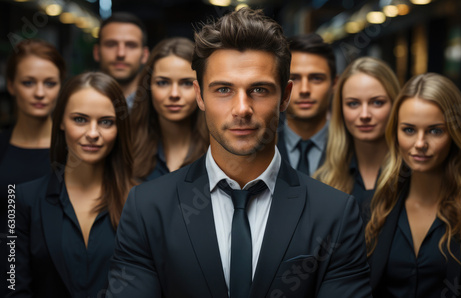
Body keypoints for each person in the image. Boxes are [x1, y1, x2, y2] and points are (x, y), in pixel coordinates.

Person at [107, 8, 371, 298]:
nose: (242, 108)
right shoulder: (147, 209)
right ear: (200, 96)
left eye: (259, 89)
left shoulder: (335, 214)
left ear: (285, 96)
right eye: (223, 89)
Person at [365, 73, 461, 297]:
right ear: (395, 133)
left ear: (455, 134)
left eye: (435, 130)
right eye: (409, 129)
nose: (420, 144)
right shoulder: (371, 207)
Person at [13, 72, 135, 297]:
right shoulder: (22, 198)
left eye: (106, 122)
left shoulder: (142, 201)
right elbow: (13, 287)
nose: (92, 133)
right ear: (60, 121)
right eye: (80, 119)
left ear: (119, 129)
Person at [0, 39, 65, 295]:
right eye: (29, 82)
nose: (40, 93)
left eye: (50, 83)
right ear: (12, 85)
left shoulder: (77, 151)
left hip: (59, 282)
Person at [314, 57, 400, 211]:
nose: (364, 115)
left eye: (377, 102)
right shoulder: (323, 182)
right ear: (341, 110)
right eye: (353, 104)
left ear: (395, 106)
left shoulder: (413, 175)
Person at [130, 37, 209, 181]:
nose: (174, 94)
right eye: (162, 83)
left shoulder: (219, 153)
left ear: (201, 89)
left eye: (186, 83)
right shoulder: (126, 149)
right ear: (147, 88)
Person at [277, 33, 336, 176]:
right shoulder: (260, 148)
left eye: (316, 78)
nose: (304, 90)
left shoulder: (353, 149)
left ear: (335, 84)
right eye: (294, 78)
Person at [93, 12, 149, 110]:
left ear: (145, 55)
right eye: (111, 44)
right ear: (97, 52)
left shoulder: (158, 106)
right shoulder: (76, 101)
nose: (121, 54)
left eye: (131, 45)